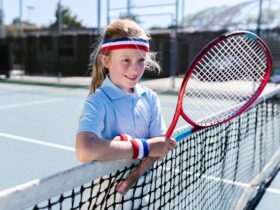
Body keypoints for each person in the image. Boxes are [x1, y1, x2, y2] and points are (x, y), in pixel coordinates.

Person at [75, 19, 176, 163]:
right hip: (107, 186)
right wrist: (143, 148)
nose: (134, 69)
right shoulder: (98, 101)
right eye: (126, 60)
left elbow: (159, 146)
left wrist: (149, 149)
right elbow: (84, 150)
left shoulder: (150, 97)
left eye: (141, 60)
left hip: (145, 186)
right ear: (106, 61)